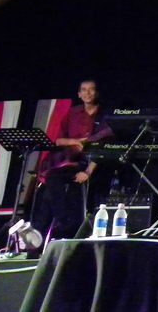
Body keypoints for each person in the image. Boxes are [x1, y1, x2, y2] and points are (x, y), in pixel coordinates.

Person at [33, 79, 110, 239]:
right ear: (79, 94)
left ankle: (49, 231)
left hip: (94, 165)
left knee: (54, 188)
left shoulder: (104, 115)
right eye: (84, 90)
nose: (87, 93)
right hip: (71, 163)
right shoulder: (73, 113)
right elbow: (58, 140)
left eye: (91, 89)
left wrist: (88, 172)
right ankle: (59, 225)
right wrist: (76, 141)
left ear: (96, 93)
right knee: (49, 184)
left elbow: (104, 148)